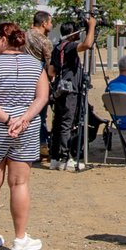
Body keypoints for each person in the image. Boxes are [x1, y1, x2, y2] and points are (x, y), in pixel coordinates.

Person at [0, 22, 47, 250]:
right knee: (20, 183)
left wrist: (7, 120)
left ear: (4, 40)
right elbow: (42, 97)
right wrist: (22, 118)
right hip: (25, 127)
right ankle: (19, 238)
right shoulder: (36, 65)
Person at [50, 17, 97, 171]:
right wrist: (92, 27)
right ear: (71, 34)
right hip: (70, 91)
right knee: (66, 124)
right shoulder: (69, 46)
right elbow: (87, 44)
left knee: (58, 122)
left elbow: (51, 71)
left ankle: (55, 157)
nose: (78, 36)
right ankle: (65, 158)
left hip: (60, 89)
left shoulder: (57, 47)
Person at [25, 11, 55, 153]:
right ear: (44, 23)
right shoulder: (44, 41)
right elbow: (50, 66)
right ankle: (41, 146)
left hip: (23, 79)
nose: (52, 25)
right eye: (50, 22)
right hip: (39, 80)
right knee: (40, 115)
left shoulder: (23, 35)